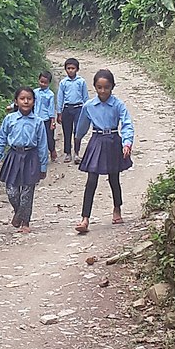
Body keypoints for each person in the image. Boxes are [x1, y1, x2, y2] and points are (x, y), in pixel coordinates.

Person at [74, 69, 134, 233]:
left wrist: (127, 143)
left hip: (113, 140)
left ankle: (117, 208)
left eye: (106, 87)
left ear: (112, 87)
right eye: (99, 87)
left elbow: (127, 124)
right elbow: (81, 126)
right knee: (91, 180)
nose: (103, 91)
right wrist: (77, 141)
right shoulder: (89, 106)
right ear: (94, 87)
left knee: (114, 177)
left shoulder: (118, 105)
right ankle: (85, 218)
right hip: (97, 141)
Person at [0, 87, 48, 234]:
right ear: (16, 101)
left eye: (29, 98)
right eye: (22, 98)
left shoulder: (38, 122)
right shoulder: (9, 119)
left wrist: (43, 166)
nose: (25, 101)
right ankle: (19, 213)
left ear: (33, 102)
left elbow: (43, 145)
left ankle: (25, 221)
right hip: (13, 155)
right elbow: (1, 139)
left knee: (27, 192)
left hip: (31, 157)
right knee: (11, 191)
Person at [56, 58, 89, 164]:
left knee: (77, 132)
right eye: (68, 68)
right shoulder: (63, 83)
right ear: (65, 70)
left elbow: (85, 97)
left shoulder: (81, 82)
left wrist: (88, 111)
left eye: (73, 68)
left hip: (79, 108)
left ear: (77, 69)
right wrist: (59, 112)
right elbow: (60, 98)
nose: (70, 70)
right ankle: (68, 153)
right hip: (67, 109)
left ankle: (77, 153)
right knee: (67, 131)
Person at [33, 71, 57, 161]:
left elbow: (51, 108)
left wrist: (52, 121)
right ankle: (39, 156)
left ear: (49, 83)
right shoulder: (35, 92)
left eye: (45, 82)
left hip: (46, 119)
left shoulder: (50, 95)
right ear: (38, 80)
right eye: (41, 81)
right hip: (35, 118)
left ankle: (52, 150)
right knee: (36, 137)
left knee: (49, 137)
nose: (43, 84)